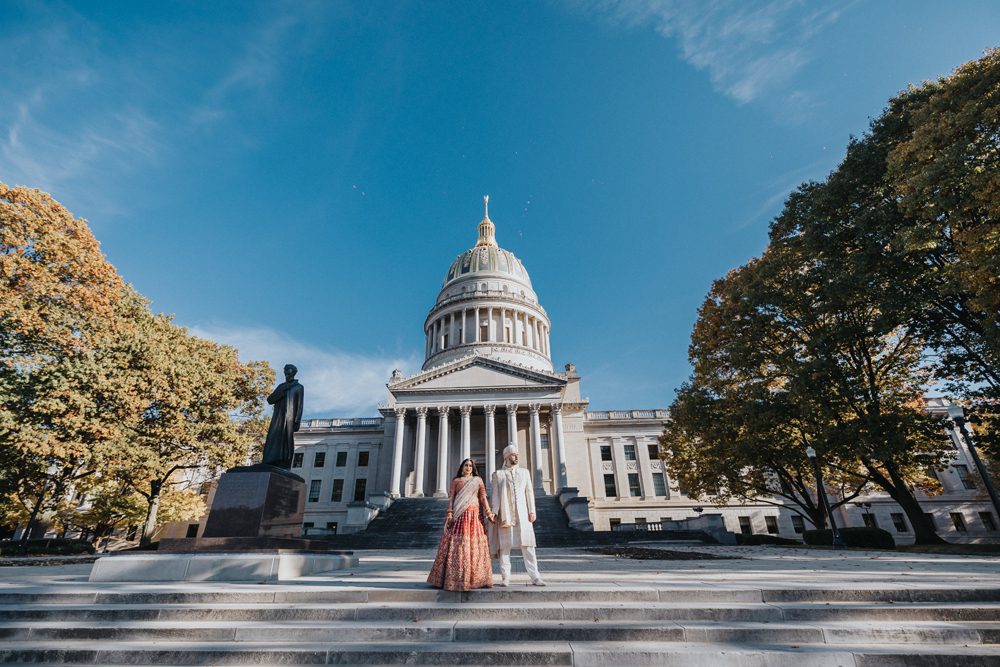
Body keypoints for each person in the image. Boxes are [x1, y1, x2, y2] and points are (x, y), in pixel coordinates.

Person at [427, 458, 496, 591]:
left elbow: (483, 497)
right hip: (460, 516)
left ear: (473, 468)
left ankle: (476, 579)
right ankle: (456, 578)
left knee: (474, 547)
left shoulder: (478, 480)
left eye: (470, 465)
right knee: (459, 546)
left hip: (474, 516)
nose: (468, 467)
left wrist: (489, 513)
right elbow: (451, 498)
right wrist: (449, 513)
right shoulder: (456, 481)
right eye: (466, 465)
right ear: (462, 467)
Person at [489, 445, 545, 586]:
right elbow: (495, 496)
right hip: (505, 514)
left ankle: (535, 577)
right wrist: (494, 512)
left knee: (528, 547)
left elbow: (529, 493)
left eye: (517, 455)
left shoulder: (525, 473)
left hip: (523, 515)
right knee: (504, 548)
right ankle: (506, 577)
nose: (516, 457)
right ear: (507, 457)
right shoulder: (498, 475)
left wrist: (532, 511)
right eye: (514, 455)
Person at [261, 364, 304, 468]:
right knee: (273, 436)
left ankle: (283, 461)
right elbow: (270, 400)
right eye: (285, 372)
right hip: (278, 417)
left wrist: (297, 420)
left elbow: (300, 405)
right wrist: (283, 391)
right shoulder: (281, 386)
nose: (287, 374)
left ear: (293, 373)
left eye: (289, 372)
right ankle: (270, 459)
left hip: (289, 418)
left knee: (286, 440)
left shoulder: (298, 387)